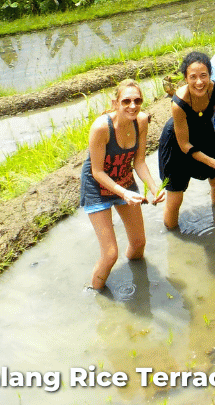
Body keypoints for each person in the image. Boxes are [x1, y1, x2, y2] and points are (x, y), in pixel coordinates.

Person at [80, 80, 163, 291]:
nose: (132, 106)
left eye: (137, 101)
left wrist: (154, 188)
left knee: (139, 243)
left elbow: (139, 162)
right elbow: (96, 171)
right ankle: (96, 293)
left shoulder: (141, 121)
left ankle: (138, 280)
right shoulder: (101, 127)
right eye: (126, 101)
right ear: (115, 103)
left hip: (124, 179)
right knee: (110, 254)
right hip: (98, 186)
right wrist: (123, 193)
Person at [158, 51, 215, 230]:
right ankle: (172, 235)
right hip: (177, 141)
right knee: (176, 196)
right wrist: (214, 162)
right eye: (193, 77)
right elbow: (184, 145)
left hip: (204, 132)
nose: (199, 82)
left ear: (210, 75)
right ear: (185, 78)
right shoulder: (179, 103)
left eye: (203, 75)